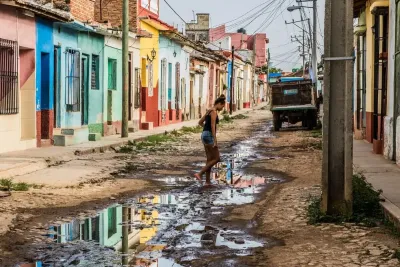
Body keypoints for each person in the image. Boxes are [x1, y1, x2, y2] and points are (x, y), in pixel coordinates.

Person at [194, 95, 226, 185]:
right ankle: (199, 173)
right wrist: (215, 140)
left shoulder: (209, 111)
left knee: (209, 159)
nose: (222, 108)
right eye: (222, 106)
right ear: (219, 104)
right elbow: (212, 126)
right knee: (217, 158)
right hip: (209, 136)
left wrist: (206, 129)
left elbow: (200, 122)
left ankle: (207, 182)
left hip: (204, 135)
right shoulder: (214, 112)